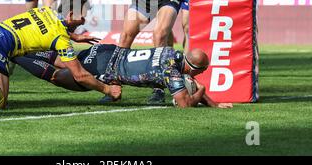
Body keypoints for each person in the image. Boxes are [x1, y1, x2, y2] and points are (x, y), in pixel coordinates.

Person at [13, 44, 233, 109]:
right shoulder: (172, 71)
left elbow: (188, 82)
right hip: (105, 67)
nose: (201, 75)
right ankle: (14, 56)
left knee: (61, 59)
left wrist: (215, 105)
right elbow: (185, 104)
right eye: (201, 71)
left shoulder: (171, 53)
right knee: (58, 76)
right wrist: (202, 92)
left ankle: (21, 49)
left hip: (106, 51)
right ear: (193, 68)